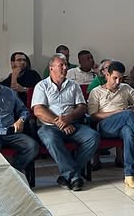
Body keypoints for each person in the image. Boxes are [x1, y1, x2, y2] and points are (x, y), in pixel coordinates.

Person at [32, 54, 99, 190]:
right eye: (61, 65)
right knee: (50, 138)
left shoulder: (73, 85)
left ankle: (68, 175)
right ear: (51, 68)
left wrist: (68, 119)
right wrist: (59, 122)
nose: (65, 68)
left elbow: (82, 107)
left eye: (66, 65)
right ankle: (74, 175)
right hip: (50, 126)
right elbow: (38, 110)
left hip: (73, 124)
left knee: (93, 136)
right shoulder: (42, 86)